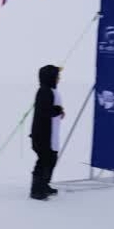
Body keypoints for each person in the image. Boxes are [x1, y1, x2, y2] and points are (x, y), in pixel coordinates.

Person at [29, 64, 65, 200]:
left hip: (50, 135)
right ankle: (36, 190)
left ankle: (44, 185)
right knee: (44, 162)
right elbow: (45, 111)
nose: (59, 78)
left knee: (51, 160)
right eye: (57, 76)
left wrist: (58, 111)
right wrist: (57, 110)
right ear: (50, 77)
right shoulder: (45, 92)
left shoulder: (49, 90)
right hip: (42, 136)